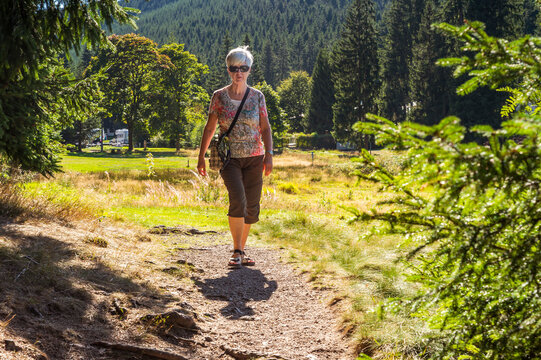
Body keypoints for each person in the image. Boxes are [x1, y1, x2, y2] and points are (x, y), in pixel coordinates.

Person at [197, 46, 273, 268]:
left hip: (255, 157)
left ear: (249, 70)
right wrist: (201, 155)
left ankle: (241, 249)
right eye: (234, 68)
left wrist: (269, 155)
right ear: (228, 70)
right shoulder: (219, 97)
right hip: (229, 158)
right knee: (238, 199)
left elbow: (266, 128)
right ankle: (237, 250)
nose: (239, 72)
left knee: (252, 205)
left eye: (243, 67)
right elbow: (210, 128)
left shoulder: (258, 96)